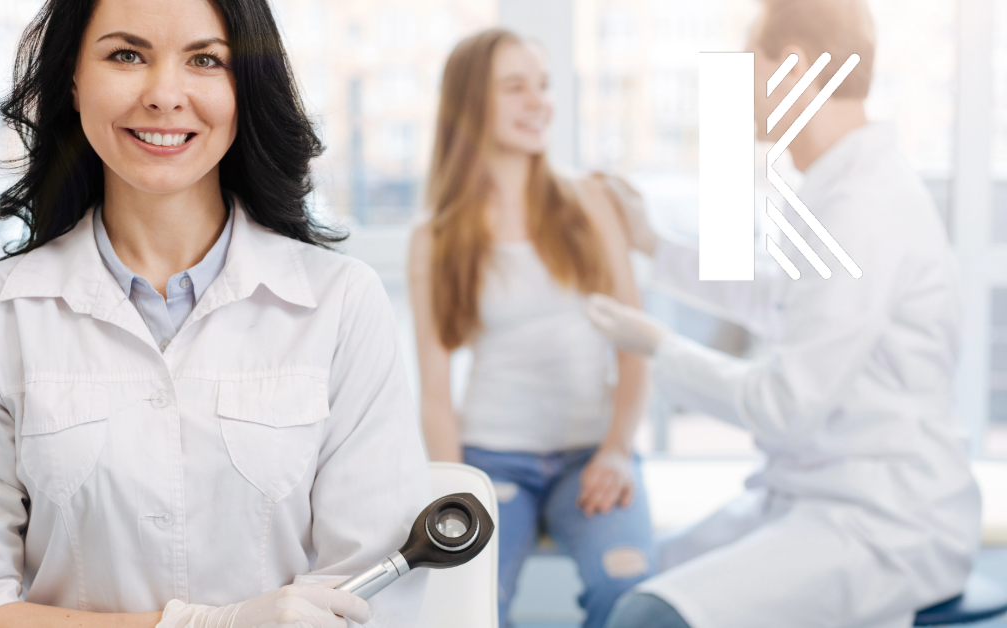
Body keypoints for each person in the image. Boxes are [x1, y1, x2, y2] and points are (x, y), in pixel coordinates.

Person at [0, 0, 431, 627]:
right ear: (73, 77)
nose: (164, 95)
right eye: (127, 55)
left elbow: (371, 590)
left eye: (205, 59)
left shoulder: (341, 302)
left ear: (246, 87)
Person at [590, 1, 982, 627]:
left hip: (882, 522)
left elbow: (784, 405)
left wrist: (659, 348)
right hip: (815, 494)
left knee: (648, 617)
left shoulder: (862, 206)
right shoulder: (835, 184)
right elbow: (782, 295)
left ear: (793, 67)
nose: (740, 88)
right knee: (633, 576)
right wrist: (654, 245)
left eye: (748, 63)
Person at [408, 29, 654, 628]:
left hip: (591, 454)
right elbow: (436, 396)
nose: (538, 101)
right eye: (515, 87)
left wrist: (618, 448)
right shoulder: (435, 238)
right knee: (471, 602)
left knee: (628, 592)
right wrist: (455, 490)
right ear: (471, 104)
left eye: (542, 86)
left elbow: (636, 343)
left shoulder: (592, 202)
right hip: (495, 458)